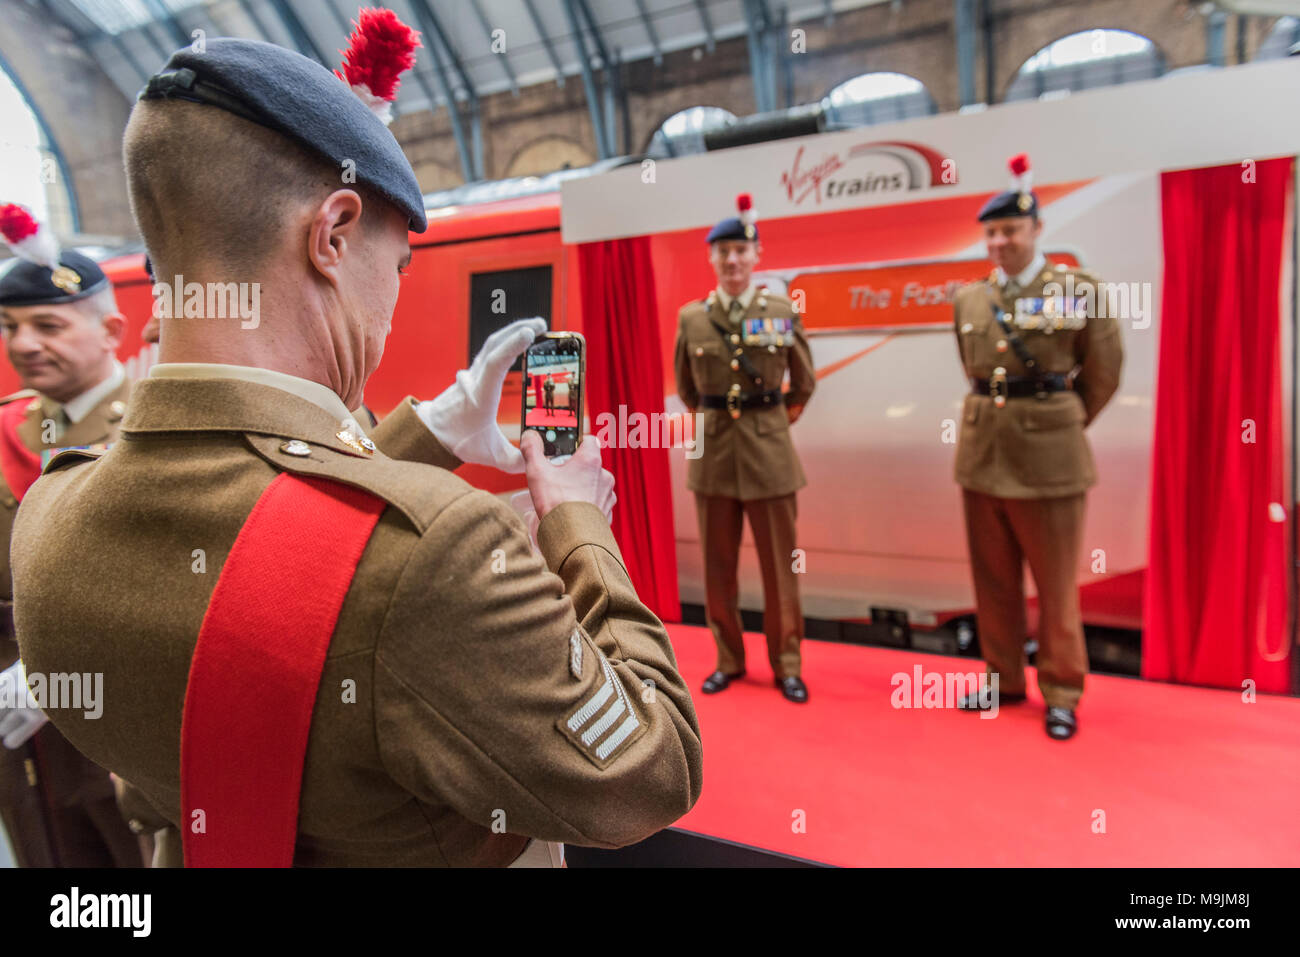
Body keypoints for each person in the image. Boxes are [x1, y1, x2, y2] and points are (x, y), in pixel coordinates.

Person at [12, 16, 702, 867]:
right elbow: (649, 773)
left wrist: (438, 426)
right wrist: (577, 525)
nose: (394, 299)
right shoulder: (438, 550)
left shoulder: (50, 518)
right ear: (333, 234)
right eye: (399, 262)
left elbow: (283, 547)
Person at [951, 154, 1124, 740]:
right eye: (991, 232)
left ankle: (1061, 689)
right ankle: (1001, 679)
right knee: (993, 581)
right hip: (982, 456)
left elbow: (1102, 375)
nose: (999, 241)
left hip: (1051, 462)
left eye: (1010, 230)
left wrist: (1061, 426)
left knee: (1054, 585)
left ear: (1035, 229)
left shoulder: (1080, 290)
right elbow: (976, 373)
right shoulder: (970, 301)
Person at [0, 207, 141, 866]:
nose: (24, 343)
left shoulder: (154, 425)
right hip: (21, 732)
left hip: (123, 716)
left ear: (111, 329)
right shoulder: (7, 429)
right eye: (10, 326)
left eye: (48, 325)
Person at [673, 193, 816, 703]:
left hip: (770, 452)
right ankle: (729, 659)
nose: (732, 260)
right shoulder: (692, 318)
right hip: (714, 456)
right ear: (711, 259)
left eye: (740, 250)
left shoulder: (779, 312)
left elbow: (803, 382)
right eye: (723, 252)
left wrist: (771, 422)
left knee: (781, 568)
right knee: (718, 566)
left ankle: (787, 664)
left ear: (756, 256)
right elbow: (689, 389)